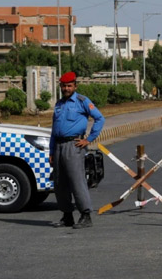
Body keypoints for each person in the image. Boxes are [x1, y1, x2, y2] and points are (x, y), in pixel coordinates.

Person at [50, 72, 105, 229]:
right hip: (59, 146)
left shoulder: (82, 101)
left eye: (69, 85)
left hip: (74, 146)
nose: (66, 88)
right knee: (60, 183)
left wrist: (88, 139)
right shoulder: (59, 104)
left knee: (77, 181)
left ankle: (85, 215)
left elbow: (100, 118)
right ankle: (67, 216)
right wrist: (51, 151)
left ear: (75, 86)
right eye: (64, 86)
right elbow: (54, 129)